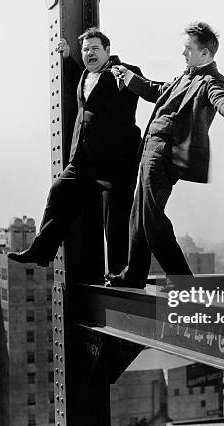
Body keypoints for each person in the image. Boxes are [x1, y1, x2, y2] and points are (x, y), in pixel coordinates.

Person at [106, 22, 224, 288]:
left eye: (188, 49)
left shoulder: (210, 80)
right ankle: (134, 274)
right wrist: (128, 78)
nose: (183, 53)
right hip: (150, 148)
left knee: (151, 217)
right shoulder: (184, 77)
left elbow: (222, 99)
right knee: (139, 215)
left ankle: (183, 281)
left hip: (165, 152)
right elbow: (156, 90)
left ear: (205, 53)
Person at [8, 28, 143, 274]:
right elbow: (76, 82)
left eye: (94, 48)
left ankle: (118, 273)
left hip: (117, 162)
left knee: (116, 219)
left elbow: (139, 87)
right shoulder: (84, 76)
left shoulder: (121, 73)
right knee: (59, 191)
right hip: (83, 159)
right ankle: (41, 249)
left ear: (108, 51)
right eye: (85, 49)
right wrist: (69, 56)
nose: (89, 53)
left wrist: (126, 75)